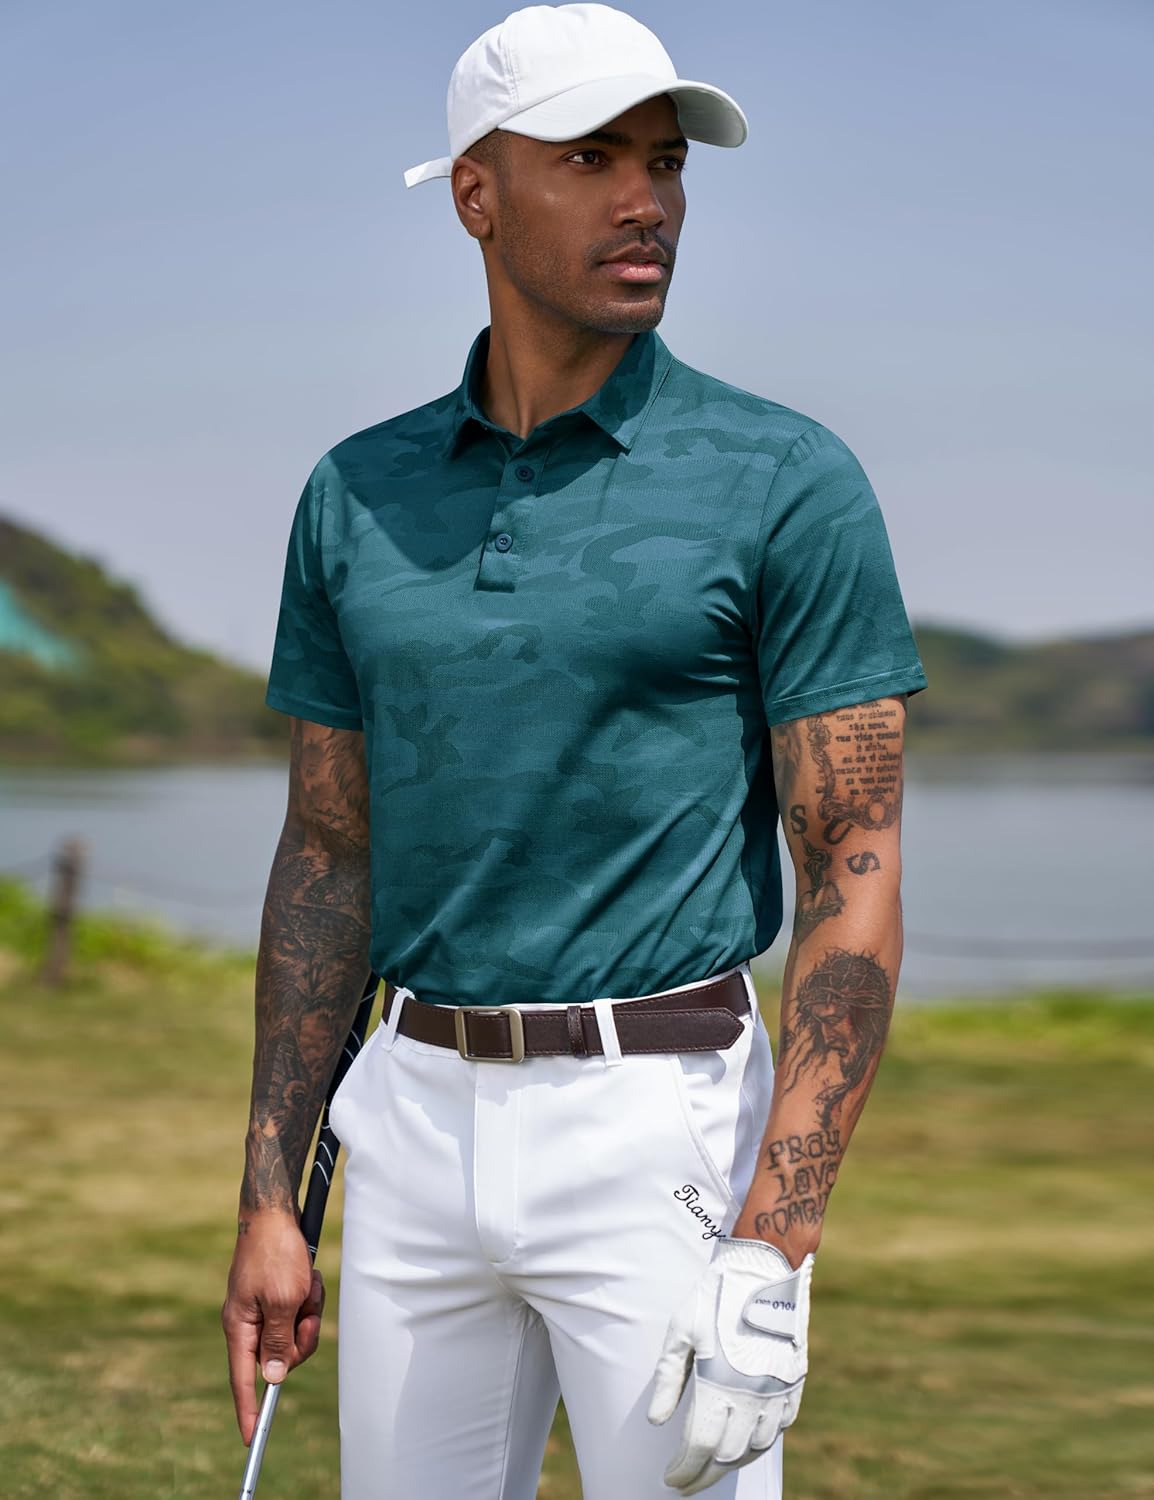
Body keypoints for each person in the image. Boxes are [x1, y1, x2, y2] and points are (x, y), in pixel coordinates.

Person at [221, 5, 929, 1497]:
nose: (646, 201)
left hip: (657, 1122)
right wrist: (272, 1200)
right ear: (476, 195)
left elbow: (851, 871)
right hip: (411, 1119)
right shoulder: (356, 492)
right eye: (592, 158)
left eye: (665, 163)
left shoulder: (783, 479)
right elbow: (328, 857)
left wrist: (774, 1242)